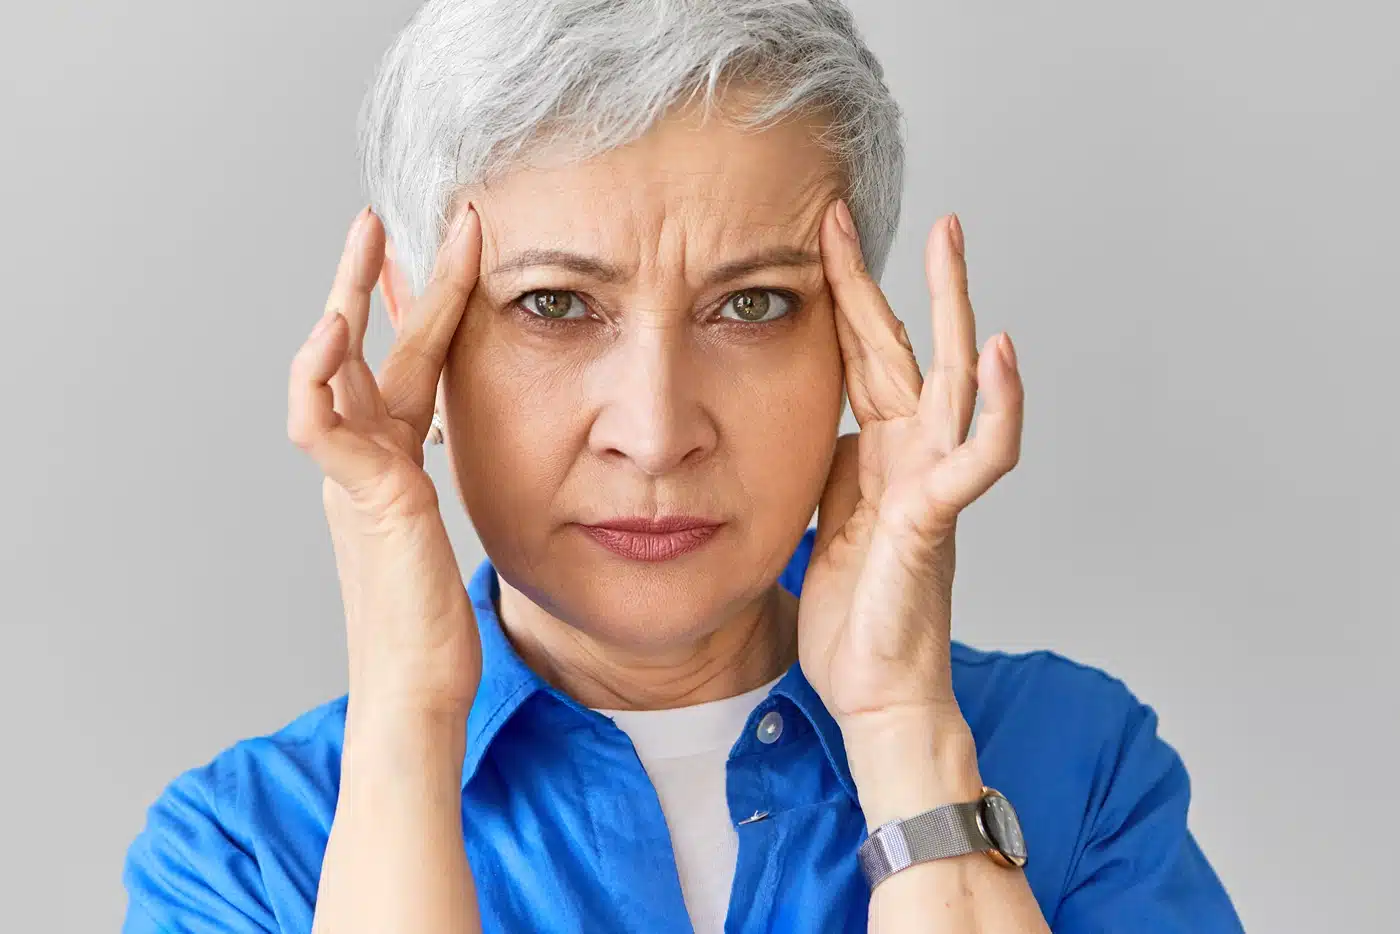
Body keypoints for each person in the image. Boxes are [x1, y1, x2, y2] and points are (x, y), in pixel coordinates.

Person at [122, 1, 1246, 931]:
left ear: (854, 341)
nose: (655, 432)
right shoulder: (247, 855)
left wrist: (905, 730)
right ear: (421, 330)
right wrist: (407, 725)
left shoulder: (1079, 767)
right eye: (553, 304)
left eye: (750, 304)